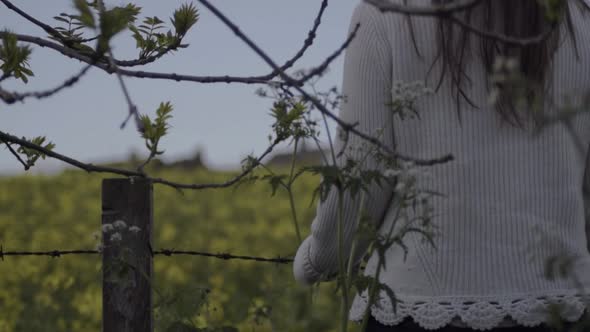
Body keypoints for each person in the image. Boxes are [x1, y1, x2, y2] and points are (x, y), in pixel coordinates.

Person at [293, 0, 590, 331]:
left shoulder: (386, 11)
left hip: (418, 307)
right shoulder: (580, 21)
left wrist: (316, 261)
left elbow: (362, 168)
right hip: (559, 308)